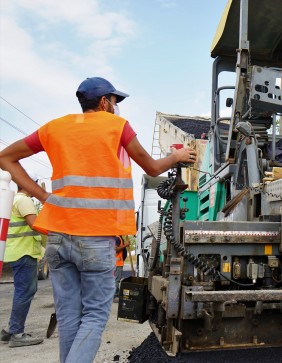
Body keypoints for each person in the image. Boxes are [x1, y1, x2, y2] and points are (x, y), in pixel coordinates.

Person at [0, 77, 196, 362]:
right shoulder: (117, 127)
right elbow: (152, 167)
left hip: (57, 237)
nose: (116, 108)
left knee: (69, 317)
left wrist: (43, 196)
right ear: (104, 102)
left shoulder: (53, 128)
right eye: (115, 102)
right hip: (94, 239)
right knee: (93, 316)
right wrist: (177, 155)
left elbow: (5, 158)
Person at [0, 172, 44, 348]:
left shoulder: (12, 199)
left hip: (16, 251)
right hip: (24, 252)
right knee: (25, 292)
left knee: (22, 291)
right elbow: (36, 225)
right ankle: (17, 333)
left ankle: (11, 330)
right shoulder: (24, 200)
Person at [113, 235, 130, 302]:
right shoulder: (117, 238)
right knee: (116, 280)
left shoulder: (119, 237)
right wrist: (125, 245)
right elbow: (115, 249)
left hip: (118, 263)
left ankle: (116, 294)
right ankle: (115, 296)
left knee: (116, 280)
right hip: (117, 263)